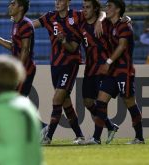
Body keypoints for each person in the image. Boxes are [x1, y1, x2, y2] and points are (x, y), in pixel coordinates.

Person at [32, 0, 105, 144]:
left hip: (70, 64)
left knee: (57, 99)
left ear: (68, 2)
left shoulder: (77, 15)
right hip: (55, 65)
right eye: (56, 0)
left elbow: (100, 13)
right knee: (65, 103)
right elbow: (31, 25)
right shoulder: (50, 17)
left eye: (60, 0)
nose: (57, 3)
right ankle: (81, 135)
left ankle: (48, 136)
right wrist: (19, 22)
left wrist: (100, 21)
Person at [87, 0, 145, 144]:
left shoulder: (125, 26)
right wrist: (100, 20)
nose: (107, 8)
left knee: (129, 102)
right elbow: (99, 13)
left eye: (110, 6)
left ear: (118, 10)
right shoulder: (107, 23)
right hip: (112, 72)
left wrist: (108, 62)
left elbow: (122, 46)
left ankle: (139, 137)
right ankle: (96, 138)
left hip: (123, 70)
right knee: (101, 101)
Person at [0, 0, 48, 134]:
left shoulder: (25, 24)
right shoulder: (16, 23)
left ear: (21, 8)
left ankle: (41, 128)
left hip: (25, 69)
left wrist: (18, 71)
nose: (10, 6)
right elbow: (13, 46)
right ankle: (40, 128)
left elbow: (25, 50)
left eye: (13, 4)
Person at [63, 0, 119, 144]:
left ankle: (96, 138)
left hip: (104, 68)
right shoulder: (81, 25)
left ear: (95, 9)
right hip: (90, 68)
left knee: (100, 102)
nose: (84, 10)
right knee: (87, 102)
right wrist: (63, 41)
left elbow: (107, 14)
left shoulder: (104, 22)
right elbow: (73, 46)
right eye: (83, 7)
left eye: (87, 7)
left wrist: (101, 19)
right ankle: (110, 126)